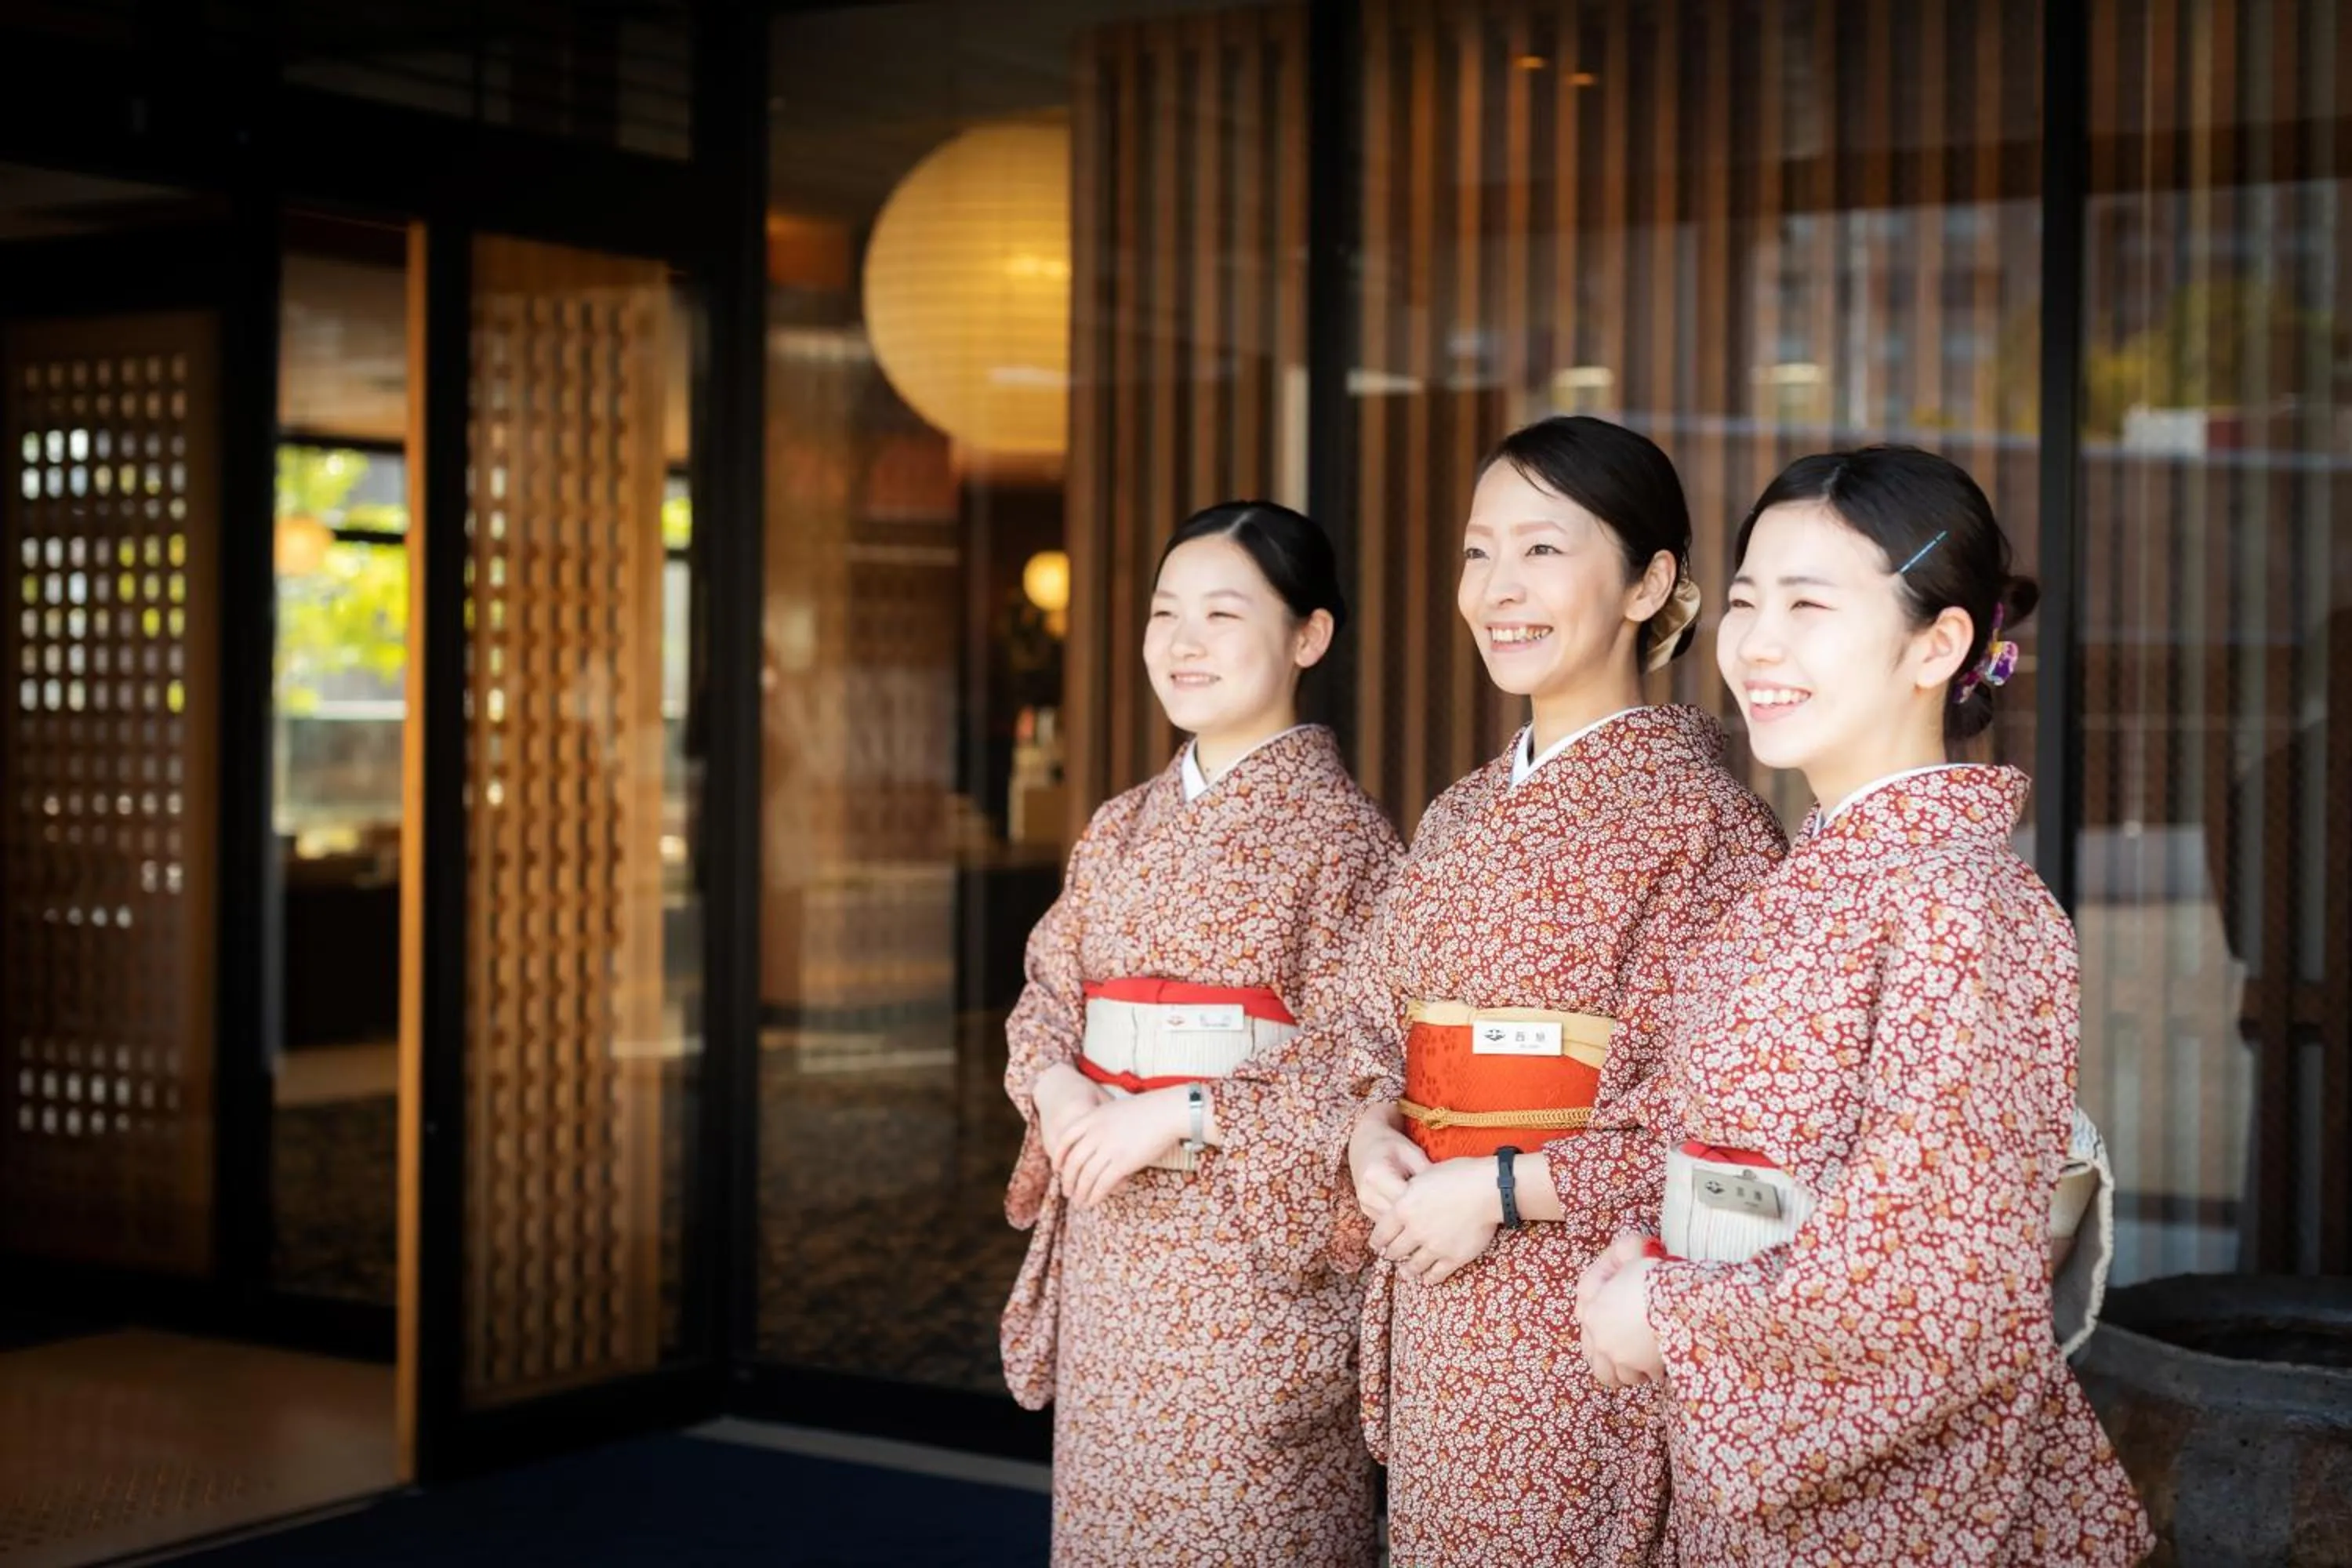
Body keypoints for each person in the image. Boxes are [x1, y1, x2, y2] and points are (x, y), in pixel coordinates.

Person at [1576, 445, 2152, 1566]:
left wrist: (1666, 1313)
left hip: (1884, 1511)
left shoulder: (1964, 903)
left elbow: (1924, 1281)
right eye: (1745, 602)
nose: (1759, 646)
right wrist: (1656, 1254)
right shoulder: (1822, 873)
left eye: (1809, 604)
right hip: (1738, 1440)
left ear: (1939, 644)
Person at [1342, 416, 1787, 1566]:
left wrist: (1495, 1192)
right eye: (1479, 552)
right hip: (1435, 1284)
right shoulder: (1458, 814)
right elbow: (1363, 1026)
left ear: (1650, 583)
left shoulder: (1707, 825)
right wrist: (1364, 1133)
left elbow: (1722, 1121)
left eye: (1542, 550)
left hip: (1583, 1316)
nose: (1499, 587)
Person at [1000, 500, 1403, 1567]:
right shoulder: (1120, 824)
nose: (1182, 641)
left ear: (1307, 637)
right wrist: (1059, 1090)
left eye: (1222, 614)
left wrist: (1182, 1112)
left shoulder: (1345, 840)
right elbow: (1048, 984)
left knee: (1242, 1533)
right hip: (1114, 1253)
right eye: (1165, 612)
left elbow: (1360, 1060)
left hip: (1245, 1278)